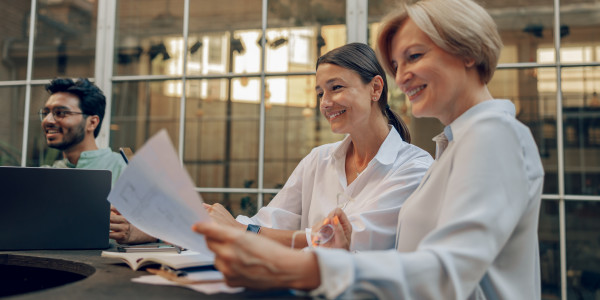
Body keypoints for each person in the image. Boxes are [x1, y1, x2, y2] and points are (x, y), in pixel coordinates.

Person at [192, 0, 545, 299]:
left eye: (414, 56)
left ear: (467, 52)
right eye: (397, 64)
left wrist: (304, 265)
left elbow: (447, 271)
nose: (402, 75)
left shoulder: (493, 135)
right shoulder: (456, 144)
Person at [204, 43, 433, 251]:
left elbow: (343, 240)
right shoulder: (318, 159)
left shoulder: (415, 169)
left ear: (375, 88)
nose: (325, 102)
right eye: (320, 93)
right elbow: (269, 221)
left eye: (336, 87)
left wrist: (241, 231)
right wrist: (208, 225)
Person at [41, 77, 156, 245]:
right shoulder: (43, 175)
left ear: (92, 122)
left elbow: (172, 227)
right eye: (46, 113)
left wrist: (139, 232)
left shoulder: (126, 168)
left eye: (60, 113)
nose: (48, 120)